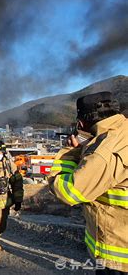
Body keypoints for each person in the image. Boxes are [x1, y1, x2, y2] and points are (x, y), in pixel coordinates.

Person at [49, 92, 127, 274]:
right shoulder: (123, 130)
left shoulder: (104, 152)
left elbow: (67, 192)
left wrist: (70, 152)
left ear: (81, 123)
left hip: (119, 255)